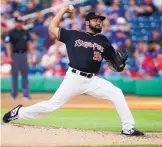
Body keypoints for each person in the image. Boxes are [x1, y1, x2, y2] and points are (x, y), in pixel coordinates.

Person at [3, 5, 144, 136]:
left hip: (92, 80)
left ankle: (128, 128)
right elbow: (52, 28)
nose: (99, 22)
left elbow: (113, 66)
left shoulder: (104, 41)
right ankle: (19, 112)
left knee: (117, 93)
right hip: (74, 78)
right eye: (96, 20)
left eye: (100, 20)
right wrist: (63, 10)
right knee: (52, 105)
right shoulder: (74, 35)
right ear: (87, 22)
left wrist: (121, 64)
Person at [5, 17, 30, 100]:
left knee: (25, 75)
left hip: (24, 54)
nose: (19, 23)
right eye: (18, 22)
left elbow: (29, 43)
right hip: (14, 55)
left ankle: (26, 95)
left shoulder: (25, 32)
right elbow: (8, 45)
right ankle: (13, 95)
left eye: (21, 22)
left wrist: (29, 55)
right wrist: (9, 57)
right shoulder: (11, 32)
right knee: (14, 75)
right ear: (15, 22)